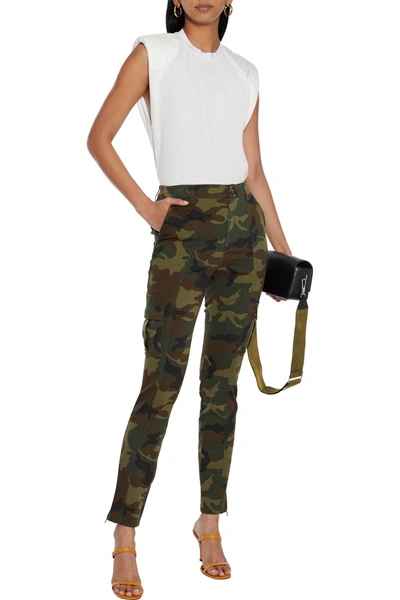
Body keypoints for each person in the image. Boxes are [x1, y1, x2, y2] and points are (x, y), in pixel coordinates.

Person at [87, 1, 291, 597]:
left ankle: (210, 521)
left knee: (222, 388)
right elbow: (99, 139)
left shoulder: (245, 72)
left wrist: (282, 253)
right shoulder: (153, 52)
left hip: (243, 237)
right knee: (160, 384)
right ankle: (125, 532)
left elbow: (254, 172)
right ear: (175, 0)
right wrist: (146, 209)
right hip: (180, 233)